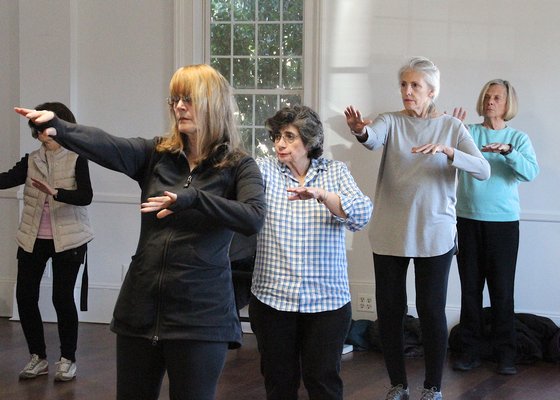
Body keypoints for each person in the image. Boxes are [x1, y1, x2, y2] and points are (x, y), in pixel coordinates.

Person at [15, 64, 266, 400]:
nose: (179, 107)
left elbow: (252, 217)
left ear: (213, 103)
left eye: (188, 99)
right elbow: (108, 145)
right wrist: (60, 128)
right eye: (175, 100)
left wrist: (193, 199)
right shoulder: (156, 155)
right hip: (140, 310)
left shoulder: (238, 166)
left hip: (200, 318)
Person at [344, 56, 491, 400]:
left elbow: (483, 170)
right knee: (391, 313)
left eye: (415, 86)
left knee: (430, 311)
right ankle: (398, 384)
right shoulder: (390, 121)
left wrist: (448, 151)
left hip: (434, 233)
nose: (407, 91)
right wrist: (360, 130)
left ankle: (433, 387)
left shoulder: (452, 127)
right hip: (389, 232)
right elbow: (372, 137)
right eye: (403, 85)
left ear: (431, 91)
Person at [250, 104, 373, 400]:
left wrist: (323, 196)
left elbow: (361, 214)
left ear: (310, 141)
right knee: (279, 384)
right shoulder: (263, 170)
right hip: (273, 300)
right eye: (278, 136)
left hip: (327, 303)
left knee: (323, 382)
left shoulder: (335, 172)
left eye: (290, 136)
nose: (280, 143)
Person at [1, 102, 93, 382]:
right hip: (32, 239)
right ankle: (38, 358)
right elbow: (7, 179)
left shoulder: (78, 158)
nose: (41, 135)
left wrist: (55, 192)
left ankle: (67, 359)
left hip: (69, 239)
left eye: (45, 129)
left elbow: (86, 196)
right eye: (37, 131)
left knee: (62, 298)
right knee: (26, 297)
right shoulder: (31, 160)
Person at [452, 79, 539, 375]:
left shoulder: (518, 138)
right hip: (467, 220)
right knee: (470, 290)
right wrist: (453, 131)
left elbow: (530, 173)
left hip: (503, 224)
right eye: (487, 96)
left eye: (497, 98)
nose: (490, 101)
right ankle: (470, 351)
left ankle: (506, 354)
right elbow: (450, 159)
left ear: (507, 103)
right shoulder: (470, 133)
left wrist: (507, 151)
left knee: (502, 291)